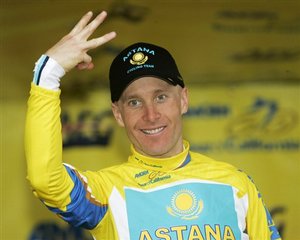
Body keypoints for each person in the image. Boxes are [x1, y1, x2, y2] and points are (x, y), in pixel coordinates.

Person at [25, 11, 282, 240]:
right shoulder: (108, 193)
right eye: (135, 102)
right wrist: (48, 74)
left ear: (183, 100)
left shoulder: (236, 184)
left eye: (161, 97)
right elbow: (46, 180)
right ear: (118, 114)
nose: (151, 115)